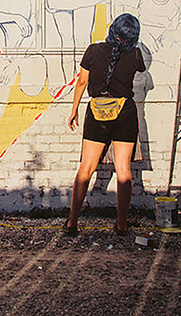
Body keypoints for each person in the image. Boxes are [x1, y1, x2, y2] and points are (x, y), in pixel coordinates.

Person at [65, 13, 147, 236]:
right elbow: (141, 70)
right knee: (124, 170)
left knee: (86, 168)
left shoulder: (93, 51)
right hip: (124, 114)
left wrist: (74, 109)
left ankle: (72, 223)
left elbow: (82, 81)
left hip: (96, 113)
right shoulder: (136, 55)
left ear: (112, 30)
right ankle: (121, 225)